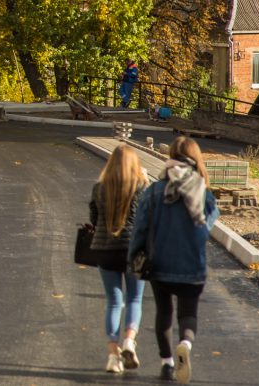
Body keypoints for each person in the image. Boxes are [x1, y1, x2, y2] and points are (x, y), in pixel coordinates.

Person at [129, 136, 218, 384]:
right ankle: (185, 345)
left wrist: (133, 256)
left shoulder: (155, 191)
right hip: (193, 264)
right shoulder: (202, 190)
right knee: (188, 313)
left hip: (160, 264)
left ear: (170, 158)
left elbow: (140, 228)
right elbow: (209, 222)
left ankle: (167, 363)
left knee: (164, 312)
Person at [89, 146, 148, 374]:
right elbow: (145, 219)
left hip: (105, 250)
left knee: (114, 302)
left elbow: (94, 220)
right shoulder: (140, 187)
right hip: (134, 251)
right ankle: (129, 342)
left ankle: (113, 356)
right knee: (134, 299)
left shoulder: (99, 188)